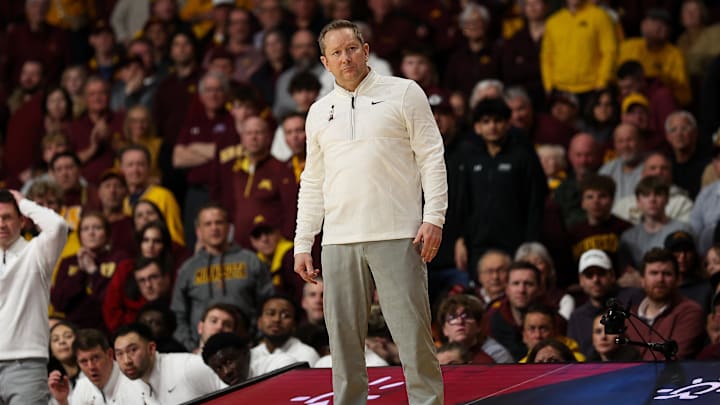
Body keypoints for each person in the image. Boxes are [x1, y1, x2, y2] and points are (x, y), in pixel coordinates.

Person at [293, 20, 446, 404]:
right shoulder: (318, 111)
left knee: (413, 337)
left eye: (352, 48)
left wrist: (434, 217)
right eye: (336, 52)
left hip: (399, 234)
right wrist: (302, 242)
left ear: (366, 49)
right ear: (324, 62)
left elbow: (432, 157)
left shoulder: (405, 92)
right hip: (339, 240)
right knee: (343, 347)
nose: (346, 57)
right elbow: (312, 181)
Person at [171, 203, 273, 351]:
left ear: (228, 227)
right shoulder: (188, 268)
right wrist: (191, 347)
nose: (214, 228)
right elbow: (178, 313)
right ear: (199, 231)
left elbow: (267, 303)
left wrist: (258, 340)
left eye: (219, 222)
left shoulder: (251, 261)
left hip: (248, 347)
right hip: (201, 351)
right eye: (208, 224)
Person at [0, 188, 68, 404]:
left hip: (26, 363)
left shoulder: (36, 253)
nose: (1, 224)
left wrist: (24, 202)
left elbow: (57, 226)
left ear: (22, 220)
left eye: (7, 217)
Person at [113, 322, 227, 403]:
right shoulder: (127, 388)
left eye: (133, 350)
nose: (126, 361)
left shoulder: (188, 367)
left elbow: (232, 391)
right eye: (119, 354)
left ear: (151, 348)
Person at [624, 248, 705, 360]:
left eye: (667, 274)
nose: (660, 279)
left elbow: (674, 358)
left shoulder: (690, 312)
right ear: (642, 280)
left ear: (677, 280)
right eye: (654, 273)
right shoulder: (629, 317)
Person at [567, 249, 644, 356]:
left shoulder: (633, 298)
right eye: (589, 275)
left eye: (601, 273)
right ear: (581, 280)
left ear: (612, 275)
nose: (596, 280)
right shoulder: (577, 318)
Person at [48, 328, 144, 405]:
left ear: (110, 354)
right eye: (83, 361)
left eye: (96, 358)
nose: (91, 367)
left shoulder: (134, 381)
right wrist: (62, 402)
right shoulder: (83, 386)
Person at [436, 294, 513, 364]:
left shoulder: (497, 355)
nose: (460, 321)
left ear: (478, 325)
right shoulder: (434, 357)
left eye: (466, 316)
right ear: (444, 329)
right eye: (452, 317)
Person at [252, 295, 319, 367]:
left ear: (295, 324)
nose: (277, 319)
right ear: (259, 322)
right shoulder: (252, 355)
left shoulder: (306, 354)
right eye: (271, 313)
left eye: (285, 315)